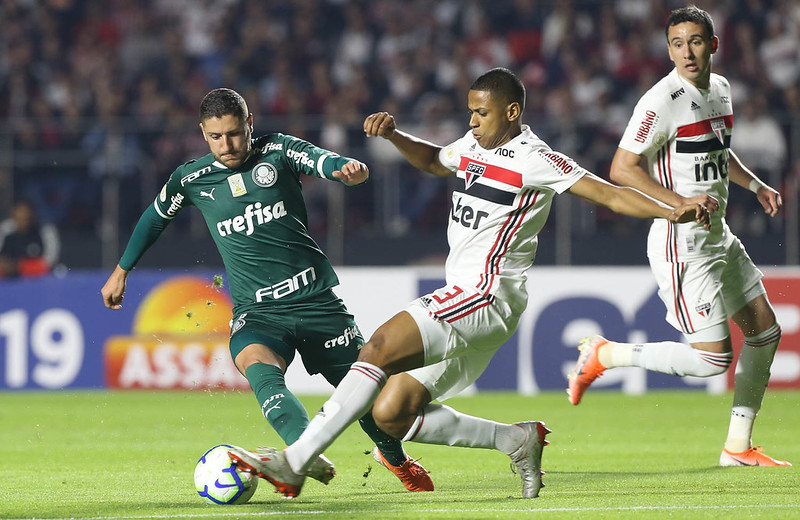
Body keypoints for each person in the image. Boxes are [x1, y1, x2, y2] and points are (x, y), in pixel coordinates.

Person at [227, 67, 710, 499]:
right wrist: (396, 136)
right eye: (470, 112)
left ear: (513, 111)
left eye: (482, 112)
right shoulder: (473, 145)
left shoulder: (536, 158)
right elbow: (437, 161)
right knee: (392, 412)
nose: (473, 120)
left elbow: (608, 195)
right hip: (472, 303)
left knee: (374, 350)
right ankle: (515, 440)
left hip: (485, 295)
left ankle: (295, 462)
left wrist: (675, 207)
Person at [100, 88, 434, 492]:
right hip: (257, 314)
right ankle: (302, 453)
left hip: (316, 304)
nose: (227, 145)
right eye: (216, 137)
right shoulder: (190, 179)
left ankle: (393, 456)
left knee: (369, 399)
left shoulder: (278, 151)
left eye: (235, 134)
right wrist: (121, 270)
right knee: (259, 369)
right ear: (203, 134)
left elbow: (321, 159)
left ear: (250, 125)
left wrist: (346, 168)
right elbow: (154, 218)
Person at [567, 6, 790, 468]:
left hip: (719, 236)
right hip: (681, 244)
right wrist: (676, 203)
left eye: (694, 41)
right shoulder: (660, 100)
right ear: (668, 48)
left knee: (766, 333)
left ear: (713, 44)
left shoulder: (722, 89)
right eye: (676, 43)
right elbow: (621, 168)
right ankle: (607, 353)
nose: (686, 52)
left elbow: (717, 153)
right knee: (711, 363)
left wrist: (755, 185)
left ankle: (738, 447)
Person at [0, 200, 60, 278]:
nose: (23, 220)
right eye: (19, 218)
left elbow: (49, 263)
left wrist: (20, 267)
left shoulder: (45, 231)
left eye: (26, 217)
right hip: (9, 283)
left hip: (38, 281)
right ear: (13, 216)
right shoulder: (5, 230)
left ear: (32, 215)